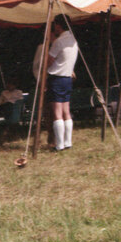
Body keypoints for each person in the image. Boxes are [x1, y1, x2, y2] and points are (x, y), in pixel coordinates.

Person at [47, 18, 79, 151]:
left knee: (57, 112)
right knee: (66, 111)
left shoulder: (58, 41)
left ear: (58, 26)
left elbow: (49, 61)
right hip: (67, 78)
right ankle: (68, 142)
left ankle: (59, 145)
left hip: (56, 78)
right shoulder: (73, 40)